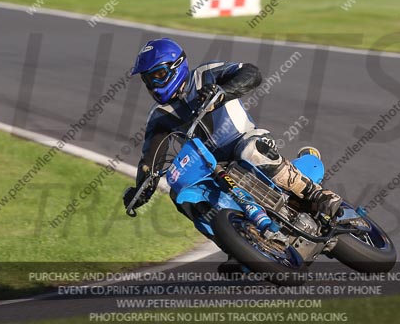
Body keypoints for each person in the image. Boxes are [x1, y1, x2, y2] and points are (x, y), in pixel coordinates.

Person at [123, 38, 341, 220]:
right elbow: (150, 161)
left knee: (249, 150)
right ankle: (238, 244)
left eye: (158, 75)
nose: (152, 84)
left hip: (247, 141)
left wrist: (223, 92)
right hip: (210, 169)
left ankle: (318, 194)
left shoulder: (205, 75)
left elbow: (251, 73)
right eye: (147, 79)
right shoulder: (159, 116)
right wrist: (141, 191)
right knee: (180, 193)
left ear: (176, 65)